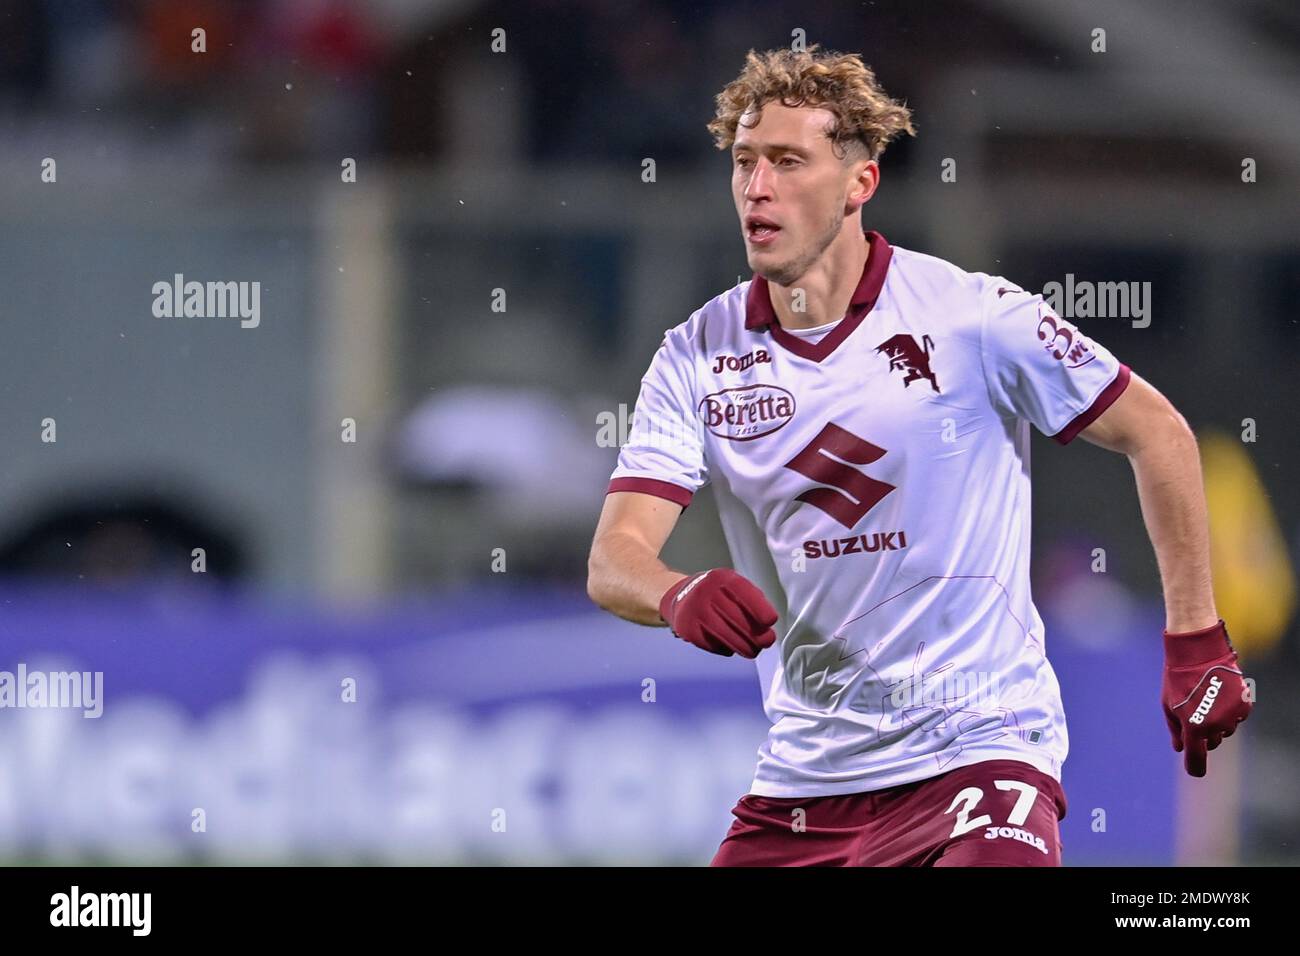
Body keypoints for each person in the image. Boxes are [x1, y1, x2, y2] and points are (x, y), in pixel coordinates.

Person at [586, 45, 1252, 866]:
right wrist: (679, 593)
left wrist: (1195, 638)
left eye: (789, 162)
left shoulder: (973, 316)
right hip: (804, 784)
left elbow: (1159, 433)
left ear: (859, 183)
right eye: (745, 163)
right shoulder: (695, 355)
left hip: (978, 754)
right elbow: (615, 558)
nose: (758, 188)